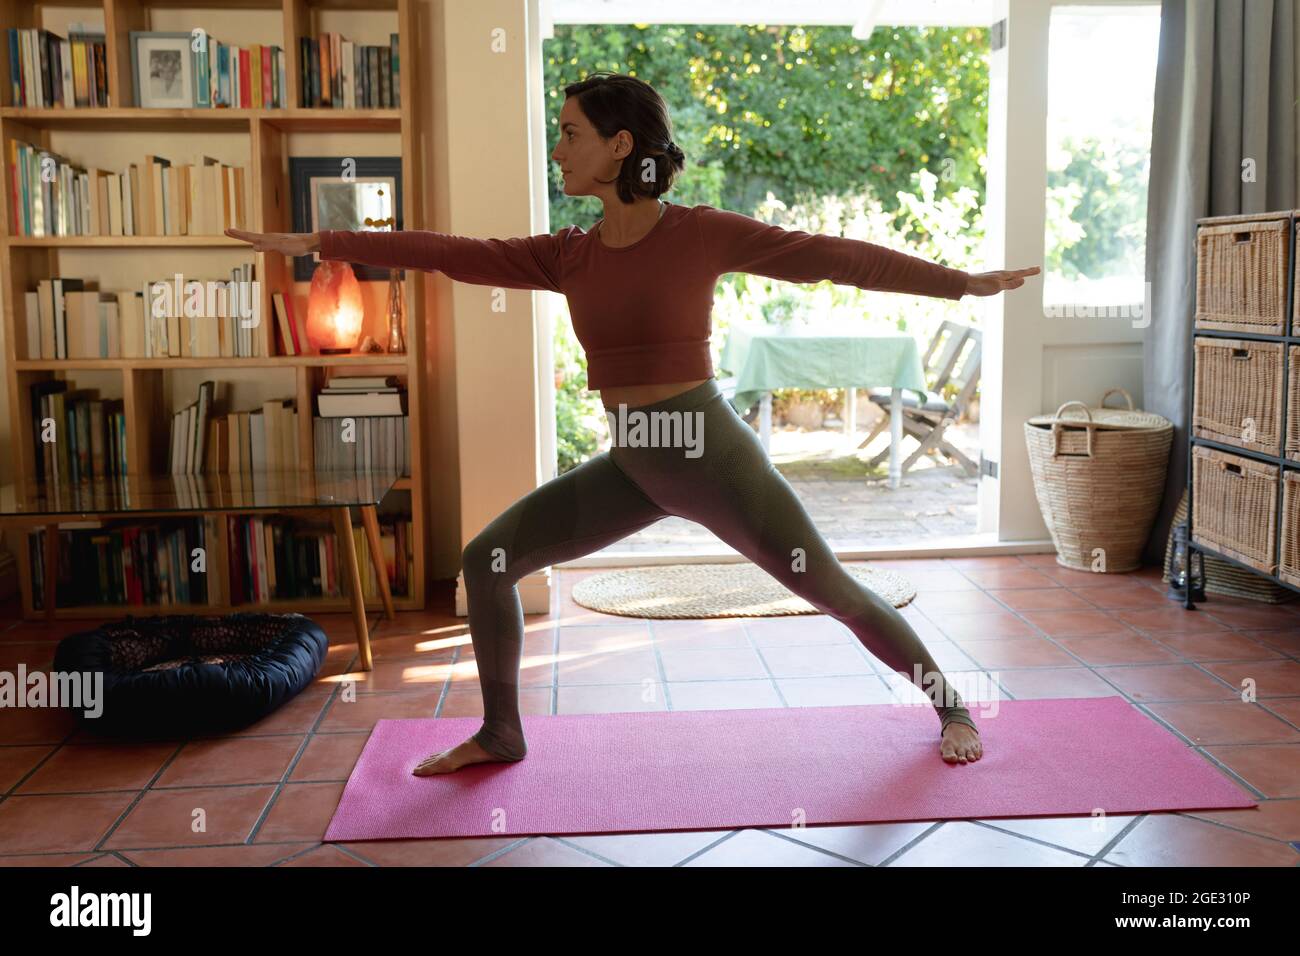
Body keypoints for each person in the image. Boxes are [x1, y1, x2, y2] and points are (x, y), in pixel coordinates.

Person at [227, 70, 1038, 775]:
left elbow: (832, 256)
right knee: (489, 559)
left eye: (571, 133)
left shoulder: (702, 232)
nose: (559, 148)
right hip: (635, 462)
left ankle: (953, 708)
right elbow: (449, 250)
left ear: (621, 145)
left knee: (829, 588)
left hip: (709, 451)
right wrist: (323, 240)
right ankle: (502, 733)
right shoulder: (568, 253)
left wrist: (959, 283)